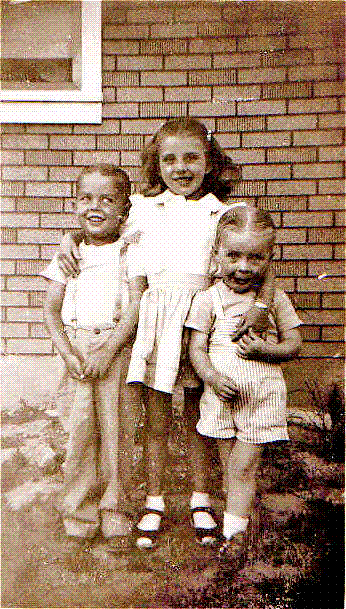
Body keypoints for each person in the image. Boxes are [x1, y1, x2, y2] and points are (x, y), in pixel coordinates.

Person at [56, 118, 275, 550]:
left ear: (210, 162)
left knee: (199, 417)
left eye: (191, 157)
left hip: (200, 322)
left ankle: (200, 497)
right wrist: (70, 238)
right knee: (155, 417)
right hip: (154, 322)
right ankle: (154, 498)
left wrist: (263, 307)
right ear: (156, 165)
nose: (180, 167)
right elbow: (100, 225)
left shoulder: (221, 212)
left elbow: (264, 260)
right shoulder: (141, 207)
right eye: (168, 159)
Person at [185, 206, 302, 559]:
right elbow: (196, 349)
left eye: (255, 257)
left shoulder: (272, 300)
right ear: (216, 255)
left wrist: (268, 351)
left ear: (268, 259)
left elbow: (294, 344)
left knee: (242, 466)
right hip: (221, 397)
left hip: (261, 398)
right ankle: (233, 524)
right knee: (230, 466)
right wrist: (211, 377)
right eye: (233, 255)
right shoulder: (208, 299)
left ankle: (235, 537)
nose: (244, 267)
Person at [42, 165, 146, 552]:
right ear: (75, 205)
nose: (95, 206)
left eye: (107, 199)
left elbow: (136, 304)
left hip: (116, 349)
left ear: (124, 208)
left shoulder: (130, 251)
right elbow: (51, 310)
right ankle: (79, 510)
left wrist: (112, 346)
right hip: (78, 351)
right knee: (81, 432)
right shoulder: (69, 257)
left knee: (117, 430)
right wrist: (67, 353)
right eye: (86, 198)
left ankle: (115, 507)